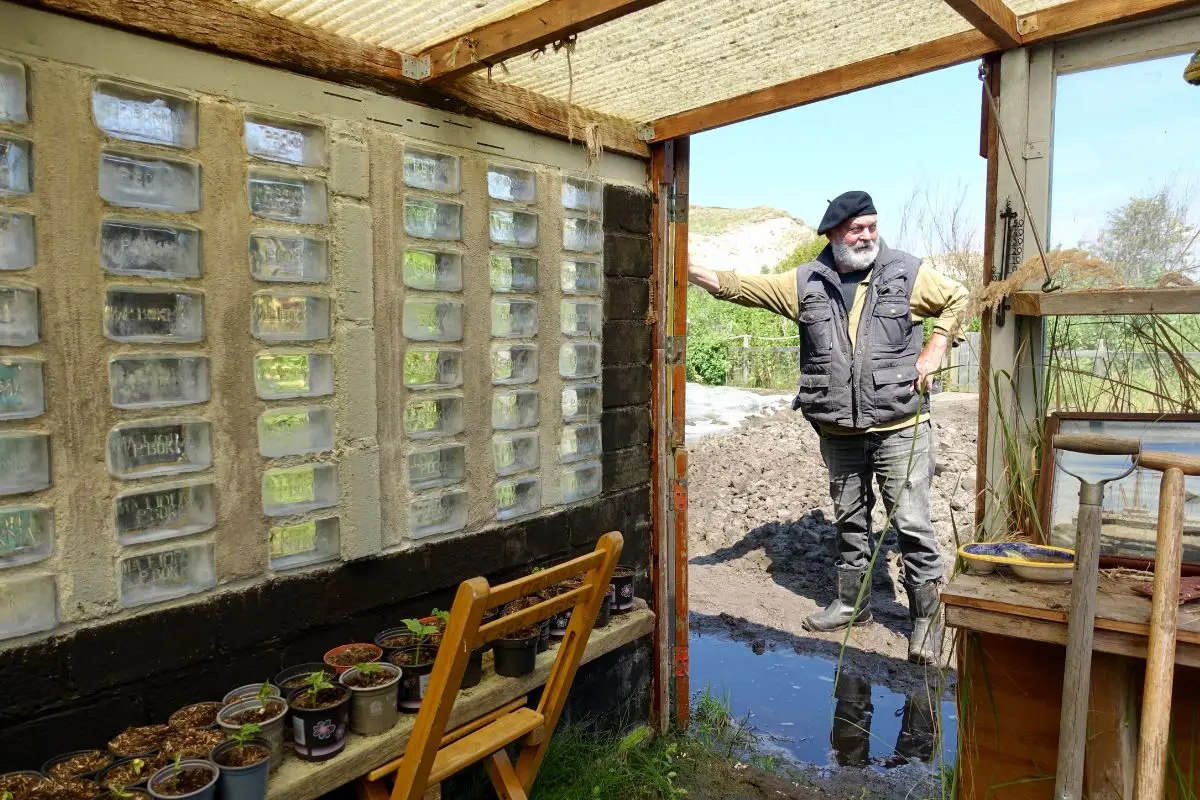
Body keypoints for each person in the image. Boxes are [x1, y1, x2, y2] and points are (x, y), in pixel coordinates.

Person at [687, 191, 969, 665]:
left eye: (872, 227)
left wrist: (937, 345)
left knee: (912, 523)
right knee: (850, 520)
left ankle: (925, 618)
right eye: (856, 229)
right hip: (838, 431)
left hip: (900, 423)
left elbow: (959, 297)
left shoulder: (906, 271)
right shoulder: (806, 282)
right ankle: (851, 605)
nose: (866, 236)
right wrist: (688, 268)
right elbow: (741, 286)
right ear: (834, 234)